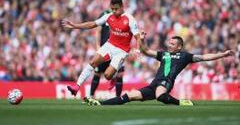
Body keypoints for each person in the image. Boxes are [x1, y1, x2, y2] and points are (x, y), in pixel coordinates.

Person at [86, 32, 235, 106]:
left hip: (166, 82)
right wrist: (141, 40)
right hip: (154, 83)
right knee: (129, 96)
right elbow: (146, 51)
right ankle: (101, 103)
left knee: (160, 95)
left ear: (179, 46)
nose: (169, 45)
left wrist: (222, 54)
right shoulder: (163, 54)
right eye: (169, 43)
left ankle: (182, 102)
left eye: (172, 43)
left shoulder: (185, 56)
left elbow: (204, 57)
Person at [61, 0, 141, 96]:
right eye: (112, 9)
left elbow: (137, 37)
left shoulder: (130, 19)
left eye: (116, 9)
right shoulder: (109, 16)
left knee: (107, 75)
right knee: (92, 62)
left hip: (121, 51)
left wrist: (137, 51)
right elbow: (92, 24)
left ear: (122, 7)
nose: (114, 11)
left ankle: (114, 77)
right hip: (109, 45)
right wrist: (75, 26)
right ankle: (76, 86)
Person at [87, 8, 124, 99]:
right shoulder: (104, 14)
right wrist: (97, 46)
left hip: (118, 50)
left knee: (119, 74)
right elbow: (98, 31)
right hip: (105, 49)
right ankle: (91, 96)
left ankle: (118, 98)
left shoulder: (123, 16)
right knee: (97, 72)